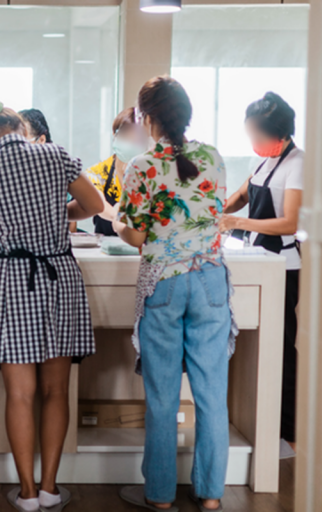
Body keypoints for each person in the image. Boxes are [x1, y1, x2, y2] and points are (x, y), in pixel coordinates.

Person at [0, 97, 103, 512]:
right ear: (22, 129)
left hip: (11, 279)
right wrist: (56, 214)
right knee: (56, 390)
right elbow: (94, 206)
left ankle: (25, 493)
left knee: (19, 394)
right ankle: (50, 489)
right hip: (57, 276)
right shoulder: (56, 155)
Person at [113, 77, 234, 512]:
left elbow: (136, 235)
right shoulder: (213, 157)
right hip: (211, 280)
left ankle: (161, 496)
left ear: (147, 118)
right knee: (212, 395)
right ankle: (211, 494)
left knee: (163, 397)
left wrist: (117, 223)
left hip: (164, 282)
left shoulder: (142, 165)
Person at [220, 92, 303, 449]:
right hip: (257, 259)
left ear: (278, 133)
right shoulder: (264, 161)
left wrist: (237, 222)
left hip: (283, 267)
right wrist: (214, 212)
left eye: (256, 135)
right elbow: (241, 196)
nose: (253, 141)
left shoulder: (297, 163)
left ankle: (287, 433)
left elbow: (290, 222)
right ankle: (261, 425)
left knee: (281, 348)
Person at [87, 107, 147, 236]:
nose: (131, 144)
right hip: (105, 246)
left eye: (137, 141)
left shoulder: (150, 173)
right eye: (126, 138)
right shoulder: (97, 172)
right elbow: (99, 205)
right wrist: (118, 217)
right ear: (114, 135)